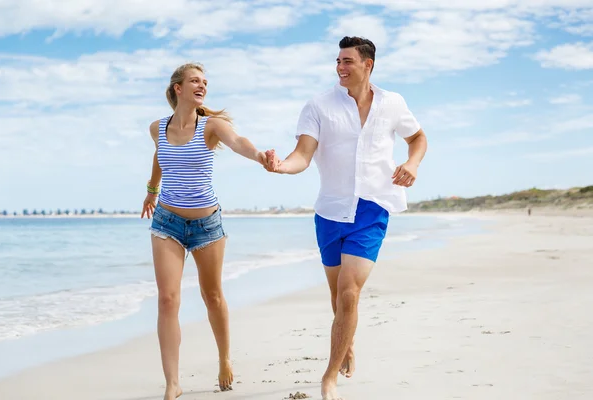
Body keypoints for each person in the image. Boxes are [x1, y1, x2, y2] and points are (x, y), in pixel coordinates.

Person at [264, 36, 428, 400]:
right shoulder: (319, 105)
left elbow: (418, 138)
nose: (340, 67)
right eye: (338, 61)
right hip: (330, 211)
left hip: (372, 207)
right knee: (338, 296)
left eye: (348, 61)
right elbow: (303, 155)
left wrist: (412, 163)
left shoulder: (393, 103)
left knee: (349, 294)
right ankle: (346, 343)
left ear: (368, 64)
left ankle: (329, 377)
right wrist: (281, 166)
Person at [140, 62, 268, 400]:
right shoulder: (158, 127)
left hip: (206, 225)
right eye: (195, 81)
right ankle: (173, 382)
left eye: (205, 82)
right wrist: (152, 191)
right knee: (168, 300)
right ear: (178, 88)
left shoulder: (212, 126)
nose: (203, 86)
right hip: (166, 221)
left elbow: (239, 142)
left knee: (212, 296)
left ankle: (225, 358)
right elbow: (160, 155)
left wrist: (259, 156)